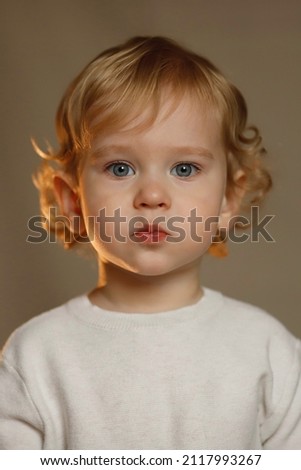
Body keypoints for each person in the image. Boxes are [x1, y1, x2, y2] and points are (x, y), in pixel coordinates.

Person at [0, 36, 300, 450]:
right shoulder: (36, 357)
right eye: (120, 167)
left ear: (229, 199)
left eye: (184, 167)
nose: (153, 195)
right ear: (73, 201)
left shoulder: (270, 352)